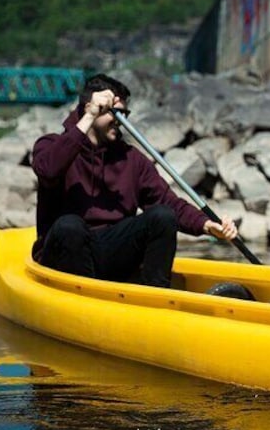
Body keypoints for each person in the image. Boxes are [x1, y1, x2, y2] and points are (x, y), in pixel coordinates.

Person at [31, 73, 237, 288]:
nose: (121, 121)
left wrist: (207, 225)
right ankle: (82, 303)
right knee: (69, 226)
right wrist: (90, 116)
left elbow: (169, 203)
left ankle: (156, 297)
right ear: (88, 107)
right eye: (114, 113)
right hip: (64, 255)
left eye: (124, 114)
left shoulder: (132, 159)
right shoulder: (51, 145)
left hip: (111, 250)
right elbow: (48, 171)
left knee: (162, 216)